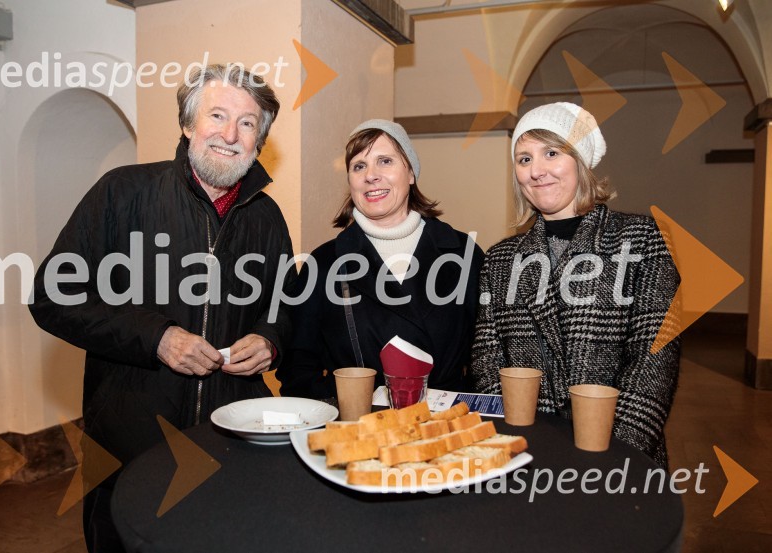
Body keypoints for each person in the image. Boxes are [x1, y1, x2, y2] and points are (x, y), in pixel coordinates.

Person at [29, 64, 295, 552]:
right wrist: (156, 337)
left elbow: (284, 304)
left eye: (247, 123)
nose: (230, 134)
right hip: (130, 443)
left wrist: (270, 339)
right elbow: (52, 295)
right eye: (217, 115)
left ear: (260, 140)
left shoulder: (268, 217)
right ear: (187, 124)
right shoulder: (121, 192)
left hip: (230, 442)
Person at [471, 102, 680, 468]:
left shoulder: (643, 239)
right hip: (526, 453)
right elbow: (487, 360)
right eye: (524, 159)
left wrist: (611, 451)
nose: (537, 171)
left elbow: (654, 362)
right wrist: (514, 439)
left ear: (579, 161)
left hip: (616, 457)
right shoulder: (500, 258)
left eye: (551, 153)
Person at [278, 119, 483, 399]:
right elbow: (298, 367)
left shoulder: (463, 252)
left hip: (446, 425)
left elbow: (487, 354)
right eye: (359, 166)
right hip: (362, 429)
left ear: (410, 172)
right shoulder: (324, 263)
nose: (370, 175)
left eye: (385, 161)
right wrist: (348, 404)